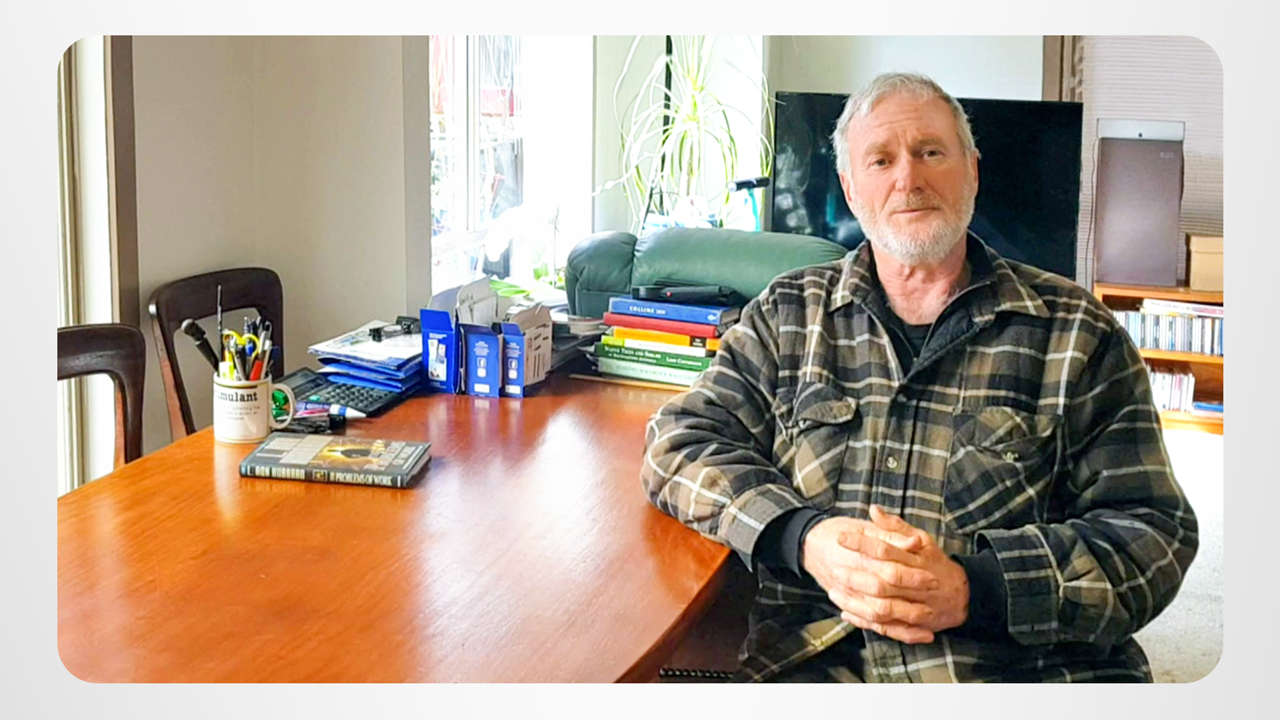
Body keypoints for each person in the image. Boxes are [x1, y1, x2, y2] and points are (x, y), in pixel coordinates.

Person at [640, 72, 1197, 682]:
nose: (908, 178)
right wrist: (803, 538)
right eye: (881, 160)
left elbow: (1153, 536)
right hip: (817, 665)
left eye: (931, 152)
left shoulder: (1079, 333)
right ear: (851, 189)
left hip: (1025, 670)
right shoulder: (785, 314)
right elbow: (678, 444)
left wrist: (976, 588)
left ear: (973, 171)